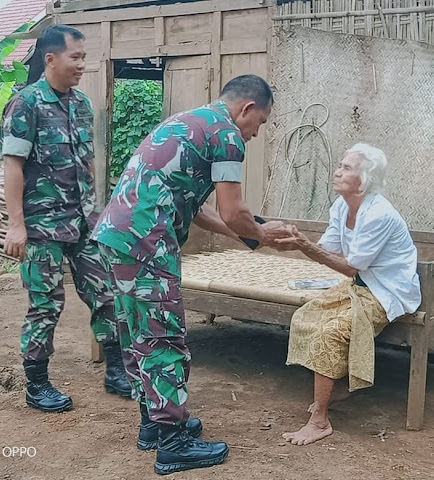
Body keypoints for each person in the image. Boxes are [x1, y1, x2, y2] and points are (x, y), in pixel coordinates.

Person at [92, 74, 293, 474]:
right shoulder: (228, 135)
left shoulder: (187, 123)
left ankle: (154, 424)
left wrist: (246, 236)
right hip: (147, 240)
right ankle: (174, 444)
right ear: (247, 109)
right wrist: (263, 233)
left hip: (118, 235)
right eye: (262, 123)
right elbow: (235, 210)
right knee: (164, 336)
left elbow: (199, 209)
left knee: (137, 333)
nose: (256, 134)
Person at [2, 25, 131, 413]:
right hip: (42, 226)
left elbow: (88, 161)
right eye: (75, 57)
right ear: (51, 59)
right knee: (46, 303)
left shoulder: (81, 104)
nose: (81, 64)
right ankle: (36, 383)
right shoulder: (26, 104)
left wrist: (98, 208)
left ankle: (116, 371)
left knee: (106, 294)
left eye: (83, 57)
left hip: (84, 222)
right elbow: (13, 165)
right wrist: (16, 223)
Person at [274, 143, 421, 446]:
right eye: (340, 166)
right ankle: (339, 385)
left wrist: (304, 245)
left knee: (331, 332)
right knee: (306, 316)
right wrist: (292, 240)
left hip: (386, 292)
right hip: (362, 285)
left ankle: (319, 421)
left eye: (347, 168)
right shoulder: (342, 206)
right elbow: (328, 249)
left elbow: (352, 268)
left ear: (364, 181)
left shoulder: (379, 215)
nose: (338, 172)